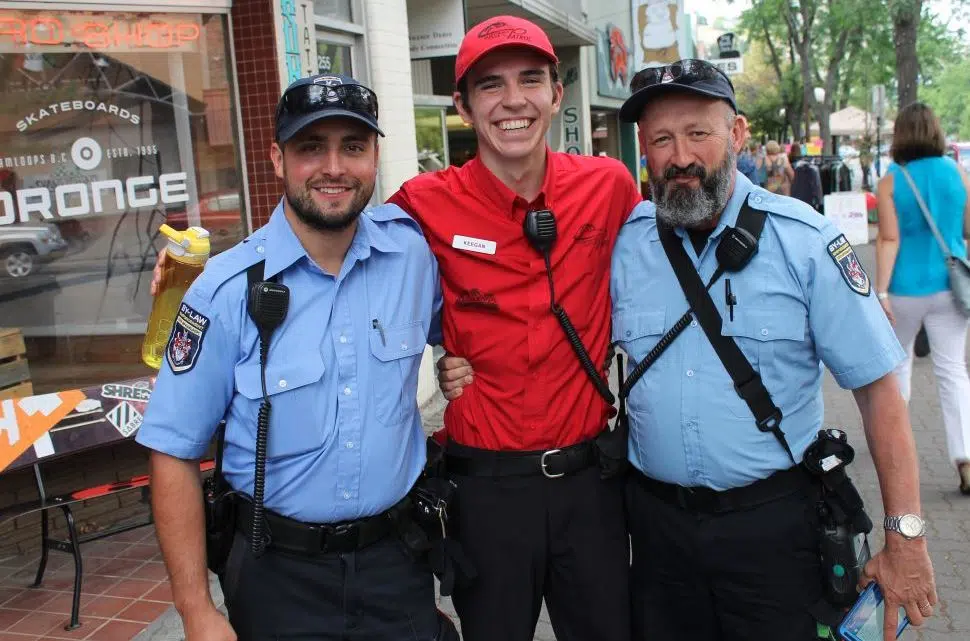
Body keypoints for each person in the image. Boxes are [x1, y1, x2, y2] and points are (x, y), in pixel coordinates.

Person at [610, 59, 936, 641]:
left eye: (698, 133)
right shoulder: (625, 244)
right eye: (661, 139)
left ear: (737, 134)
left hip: (775, 536)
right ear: (642, 149)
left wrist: (905, 539)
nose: (680, 156)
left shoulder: (806, 241)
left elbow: (879, 394)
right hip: (657, 539)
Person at [136, 73, 450, 641]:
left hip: (397, 564)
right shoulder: (224, 290)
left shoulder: (412, 254)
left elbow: (475, 321)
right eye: (311, 147)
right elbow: (173, 451)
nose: (334, 167)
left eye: (352, 147)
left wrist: (460, 364)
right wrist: (196, 610)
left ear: (375, 157)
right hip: (275, 574)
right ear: (277, 159)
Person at [390, 15, 641, 641]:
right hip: (485, 493)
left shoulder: (609, 187)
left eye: (530, 80)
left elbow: (671, 261)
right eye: (490, 85)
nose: (512, 101)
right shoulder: (422, 203)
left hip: (590, 486)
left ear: (556, 94)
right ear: (462, 105)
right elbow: (349, 267)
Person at [875, 101, 970, 495]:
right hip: (951, 286)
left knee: (898, 366)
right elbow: (966, 228)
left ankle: (896, 449)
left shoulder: (891, 181)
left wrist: (880, 291)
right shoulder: (957, 173)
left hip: (904, 288)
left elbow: (888, 239)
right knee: (953, 371)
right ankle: (965, 457)